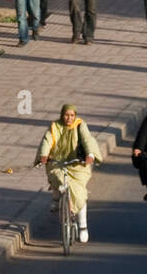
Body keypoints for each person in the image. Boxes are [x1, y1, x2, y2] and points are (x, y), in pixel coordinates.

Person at [35, 103, 102, 243]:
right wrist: (44, 155)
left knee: (79, 193)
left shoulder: (80, 125)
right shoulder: (55, 126)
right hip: (58, 162)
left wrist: (90, 154)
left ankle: (83, 226)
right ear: (62, 115)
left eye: (72, 115)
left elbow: (87, 139)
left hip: (77, 164)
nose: (69, 118)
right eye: (66, 115)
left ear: (75, 116)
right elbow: (47, 141)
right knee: (56, 176)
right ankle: (56, 196)